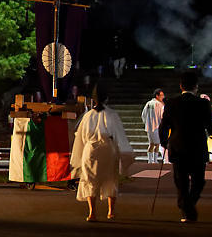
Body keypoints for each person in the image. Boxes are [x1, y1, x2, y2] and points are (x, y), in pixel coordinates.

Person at [159, 72, 212, 223]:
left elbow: (164, 126)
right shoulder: (203, 103)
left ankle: (185, 206)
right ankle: (188, 206)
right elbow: (210, 125)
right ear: (196, 87)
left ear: (181, 86)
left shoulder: (171, 103)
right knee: (198, 181)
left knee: (181, 180)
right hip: (197, 147)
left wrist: (164, 142)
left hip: (177, 146)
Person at [70, 85, 133, 221]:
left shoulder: (87, 116)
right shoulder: (111, 115)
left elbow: (80, 137)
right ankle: (111, 211)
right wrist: (124, 153)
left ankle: (92, 212)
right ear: (107, 98)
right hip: (108, 149)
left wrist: (79, 156)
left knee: (89, 179)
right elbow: (119, 135)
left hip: (90, 150)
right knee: (111, 178)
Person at [141, 88, 165, 163]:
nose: (163, 97)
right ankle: (154, 160)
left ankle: (150, 160)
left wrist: (146, 123)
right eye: (161, 95)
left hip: (149, 127)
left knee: (151, 144)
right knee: (157, 144)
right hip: (157, 127)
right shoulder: (160, 104)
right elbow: (162, 116)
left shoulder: (148, 103)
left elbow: (143, 115)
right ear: (157, 96)